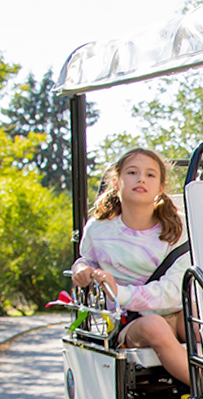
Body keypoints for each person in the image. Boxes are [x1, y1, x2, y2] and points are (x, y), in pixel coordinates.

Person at [71, 148, 193, 383]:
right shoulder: (98, 230)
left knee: (199, 319)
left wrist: (120, 292)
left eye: (150, 175)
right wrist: (81, 269)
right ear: (116, 182)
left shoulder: (178, 228)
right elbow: (86, 260)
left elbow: (176, 290)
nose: (140, 179)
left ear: (160, 188)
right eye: (132, 172)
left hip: (175, 309)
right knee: (155, 325)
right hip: (131, 322)